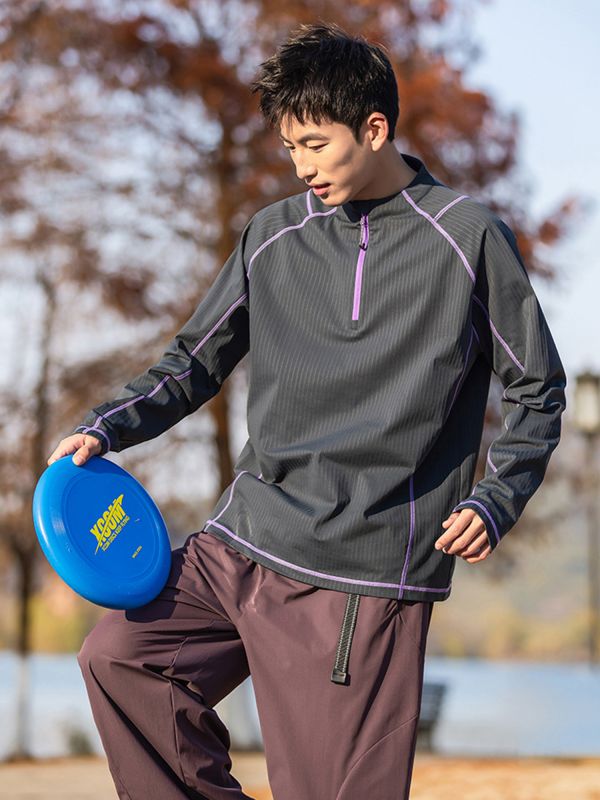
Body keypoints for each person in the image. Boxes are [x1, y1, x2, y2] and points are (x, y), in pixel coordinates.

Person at [48, 21, 567, 800]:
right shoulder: (272, 235)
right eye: (290, 146)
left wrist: (497, 499)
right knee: (121, 660)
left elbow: (537, 387)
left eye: (316, 145)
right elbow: (192, 361)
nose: (301, 166)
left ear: (375, 129)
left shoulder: (467, 238)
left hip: (361, 574)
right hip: (241, 541)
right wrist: (104, 426)